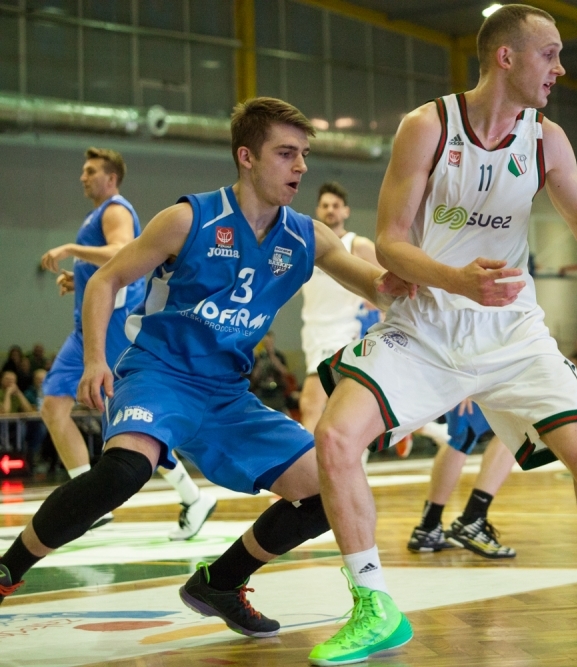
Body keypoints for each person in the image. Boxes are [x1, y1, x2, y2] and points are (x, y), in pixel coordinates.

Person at [309, 6, 577, 664]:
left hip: (514, 332)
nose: (560, 67)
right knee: (335, 434)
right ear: (506, 57)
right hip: (430, 323)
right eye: (549, 54)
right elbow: (389, 242)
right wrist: (454, 279)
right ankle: (374, 604)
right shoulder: (427, 127)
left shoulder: (547, 138)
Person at [0, 99, 415, 642]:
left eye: (304, 155)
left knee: (329, 491)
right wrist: (97, 359)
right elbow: (105, 281)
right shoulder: (188, 219)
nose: (301, 167)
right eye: (286, 153)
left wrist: (431, 274)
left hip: (226, 394)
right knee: (125, 471)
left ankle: (219, 583)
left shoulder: (307, 237)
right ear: (247, 157)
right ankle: (10, 568)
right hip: (160, 373)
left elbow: (377, 286)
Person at [38, 147, 217, 539]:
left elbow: (121, 251)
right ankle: (89, 502)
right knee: (54, 404)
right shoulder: (97, 214)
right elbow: (109, 266)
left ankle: (191, 496)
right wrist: (80, 277)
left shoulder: (115, 209)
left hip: (113, 328)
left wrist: (70, 250)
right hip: (87, 330)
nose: (83, 177)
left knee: (131, 424)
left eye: (90, 171)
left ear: (111, 178)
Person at [298, 182, 382, 432]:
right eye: (325, 206)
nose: (330, 210)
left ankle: (310, 467)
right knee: (349, 406)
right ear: (318, 210)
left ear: (346, 211)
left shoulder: (358, 244)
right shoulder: (308, 245)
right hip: (313, 331)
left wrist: (379, 309)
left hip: (345, 329)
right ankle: (429, 430)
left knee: (311, 404)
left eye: (335, 206)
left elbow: (389, 283)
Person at [407, 399, 516, 558]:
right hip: (470, 376)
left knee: (463, 436)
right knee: (515, 428)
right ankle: (472, 521)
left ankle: (428, 527)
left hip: (464, 377)